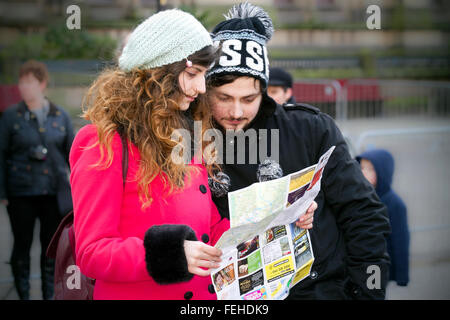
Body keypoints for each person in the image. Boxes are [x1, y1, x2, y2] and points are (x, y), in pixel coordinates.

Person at [206, 2, 391, 300]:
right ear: (205, 91)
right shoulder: (189, 138)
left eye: (249, 98)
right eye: (224, 98)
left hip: (320, 289)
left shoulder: (310, 129)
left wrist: (365, 292)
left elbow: (363, 212)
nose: (236, 111)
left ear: (265, 90)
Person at [0, 60, 75, 299]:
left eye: (29, 82)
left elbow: (73, 156)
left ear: (42, 84)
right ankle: (23, 294)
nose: (24, 87)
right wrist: (2, 192)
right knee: (21, 246)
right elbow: (0, 155)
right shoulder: (11, 117)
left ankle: (49, 295)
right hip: (20, 193)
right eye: (22, 82)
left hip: (53, 194)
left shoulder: (59, 115)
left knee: (50, 248)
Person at [356, 149, 410, 287]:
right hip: (360, 261)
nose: (363, 172)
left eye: (370, 169)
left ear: (383, 172)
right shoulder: (360, 196)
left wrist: (402, 274)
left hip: (379, 265)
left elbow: (400, 240)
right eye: (361, 167)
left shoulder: (395, 204)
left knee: (374, 292)